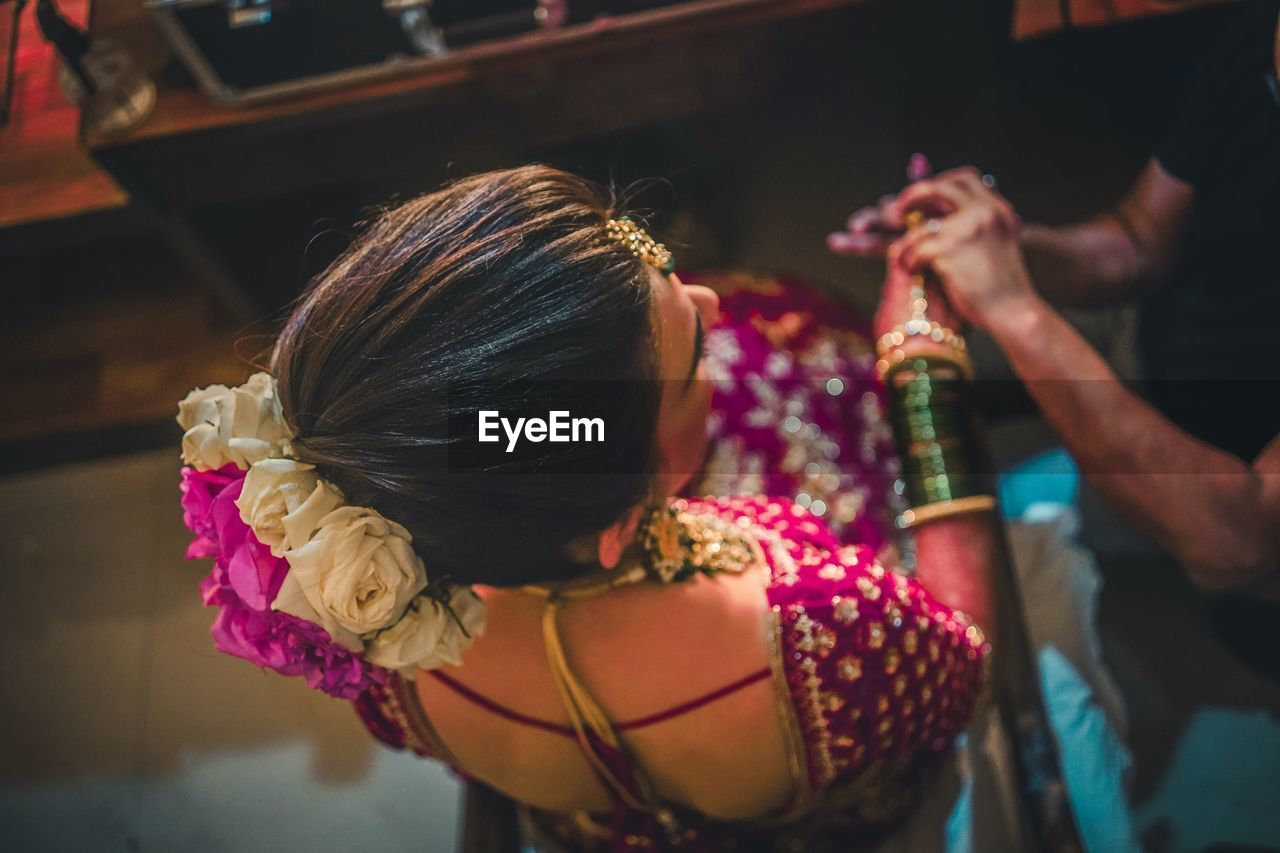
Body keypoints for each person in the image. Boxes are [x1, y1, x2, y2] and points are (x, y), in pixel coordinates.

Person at [176, 165, 1003, 851]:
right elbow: (965, 664)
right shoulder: (822, 633)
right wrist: (922, 364)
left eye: (664, 270)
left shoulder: (371, 626)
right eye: (690, 369)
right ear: (620, 518)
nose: (714, 304)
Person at [828, 0, 1280, 596]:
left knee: (1010, 559)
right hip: (1161, 359)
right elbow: (1140, 240)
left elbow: (1239, 541)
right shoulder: (1258, 43)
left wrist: (1015, 310)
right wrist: (999, 242)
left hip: (1215, 498)